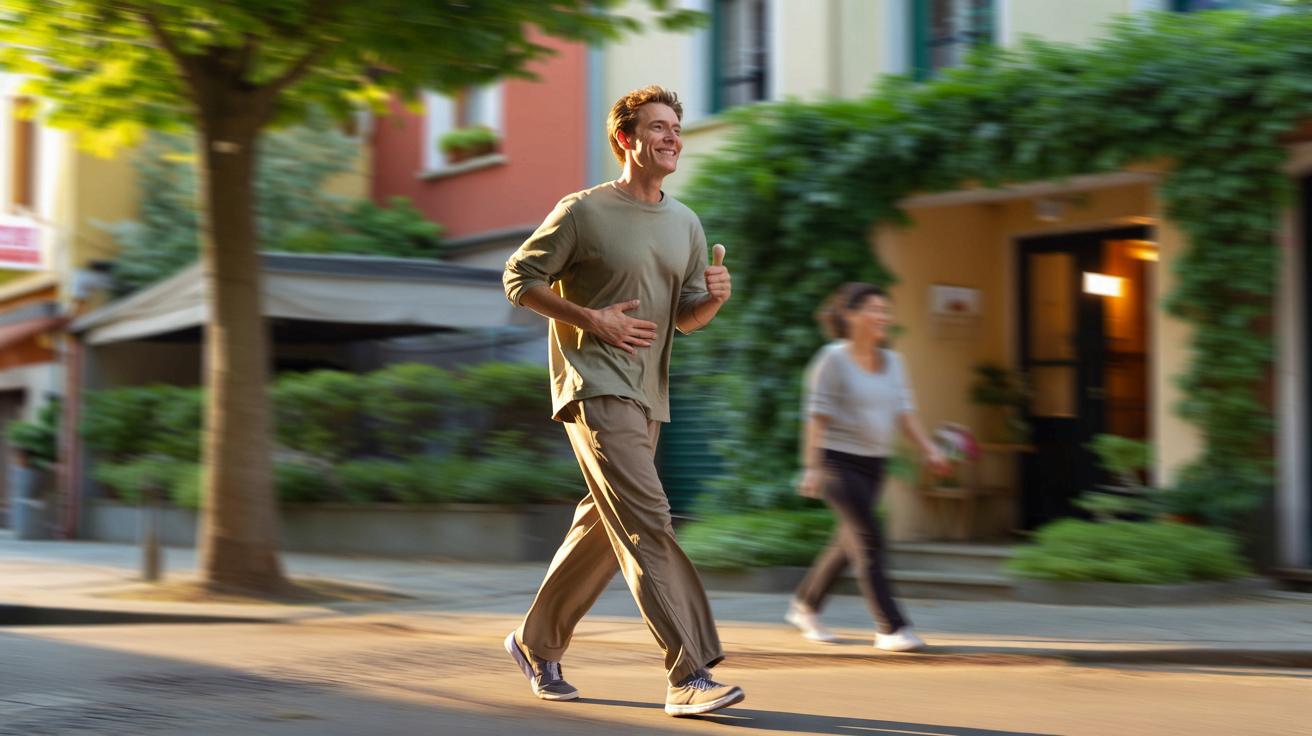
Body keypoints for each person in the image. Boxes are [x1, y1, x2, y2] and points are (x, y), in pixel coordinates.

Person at [500, 85, 744, 718]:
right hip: (594, 383)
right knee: (649, 520)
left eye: (676, 128)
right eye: (657, 127)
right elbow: (517, 278)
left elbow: (684, 319)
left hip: (646, 395)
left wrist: (713, 297)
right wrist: (591, 319)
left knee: (607, 527)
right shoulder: (583, 211)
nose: (671, 138)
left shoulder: (686, 222)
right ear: (625, 139)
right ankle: (690, 672)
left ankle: (536, 642)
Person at [785, 282, 950, 651]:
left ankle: (805, 605)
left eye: (885, 310)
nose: (883, 317)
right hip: (836, 464)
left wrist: (930, 450)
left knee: (849, 543)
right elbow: (817, 418)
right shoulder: (832, 359)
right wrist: (811, 467)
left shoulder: (894, 362)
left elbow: (906, 415)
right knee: (869, 538)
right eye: (874, 309)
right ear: (851, 316)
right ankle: (890, 626)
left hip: (874, 463)